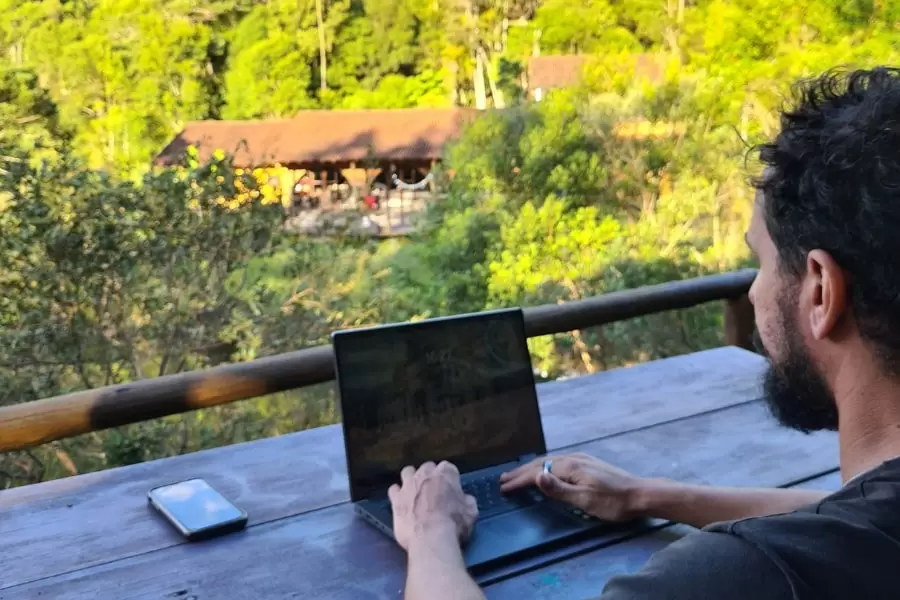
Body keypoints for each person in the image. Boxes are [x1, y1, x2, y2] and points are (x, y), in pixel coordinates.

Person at [388, 66, 900, 599]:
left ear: (820, 292)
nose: (753, 293)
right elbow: (852, 518)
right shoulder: (868, 532)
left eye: (761, 261)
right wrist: (645, 495)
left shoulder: (740, 577)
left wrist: (430, 534)